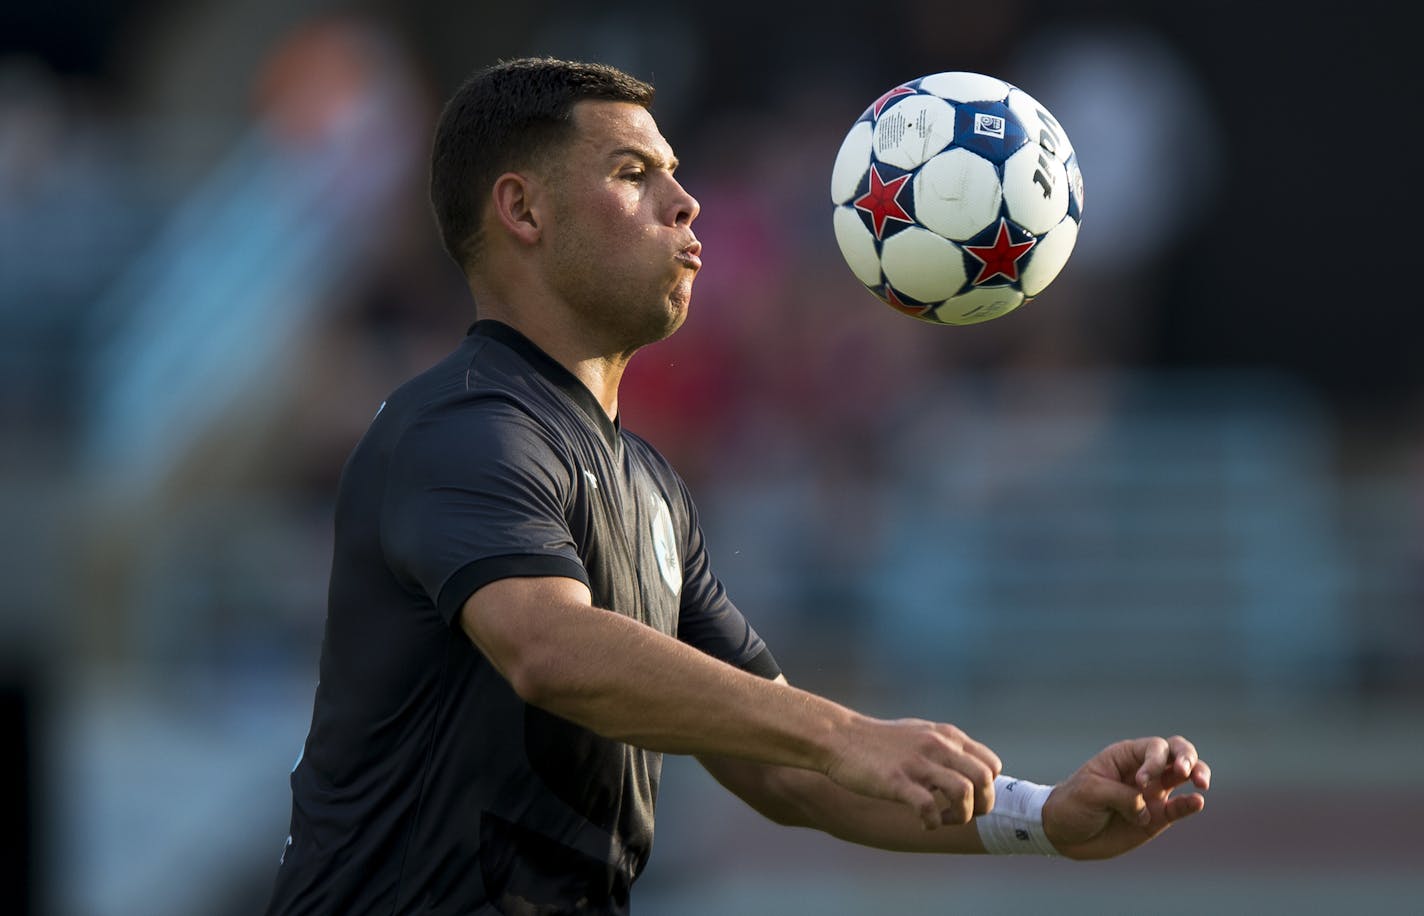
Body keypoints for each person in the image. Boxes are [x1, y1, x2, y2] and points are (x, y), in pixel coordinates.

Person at [265, 57, 1211, 915]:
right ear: (523, 211)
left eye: (677, 172)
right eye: (636, 175)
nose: (688, 203)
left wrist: (1041, 817)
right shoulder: (461, 426)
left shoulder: (649, 486)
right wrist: (843, 730)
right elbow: (550, 649)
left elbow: (785, 774)